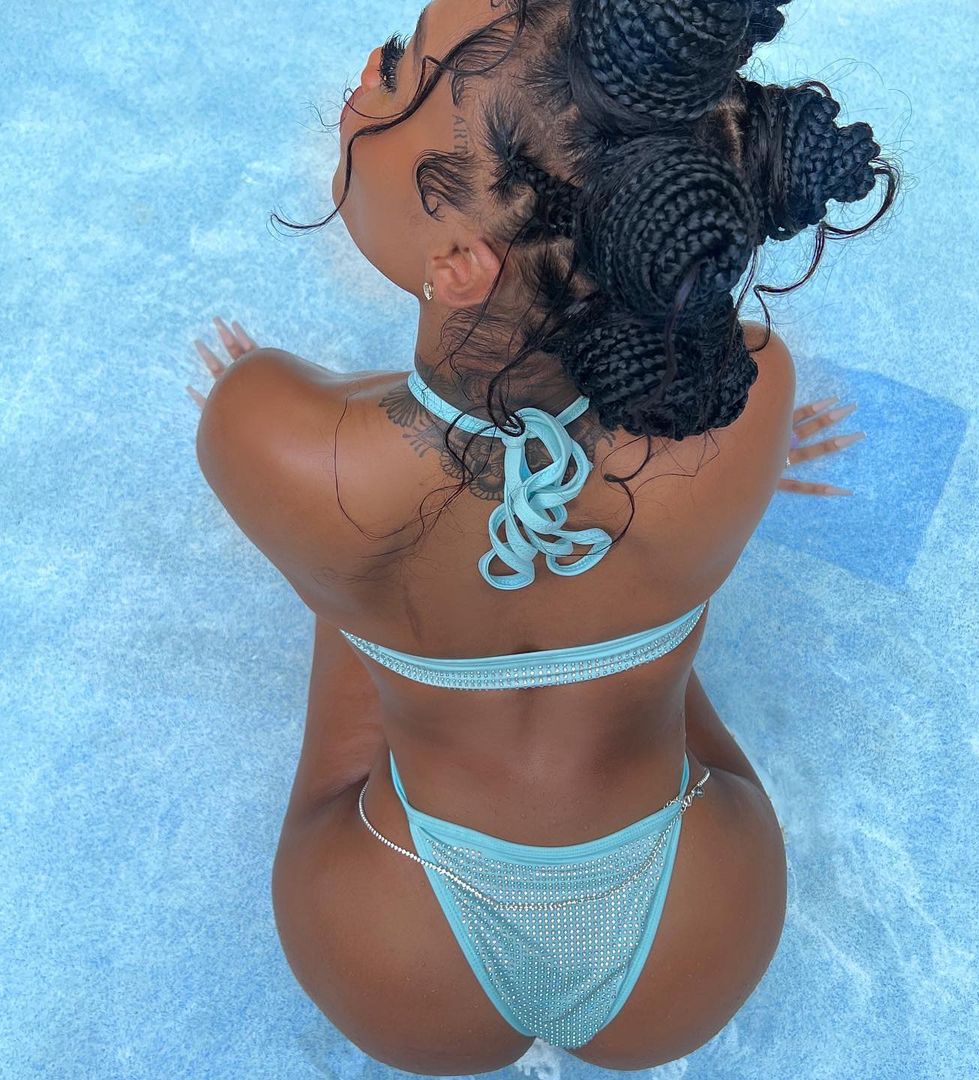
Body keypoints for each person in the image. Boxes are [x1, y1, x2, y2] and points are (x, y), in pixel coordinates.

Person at [189, 0, 898, 1071]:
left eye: (396, 68)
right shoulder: (750, 405)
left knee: (352, 575)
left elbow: (364, 459)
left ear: (457, 264)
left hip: (395, 945)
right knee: (646, 619)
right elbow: (713, 404)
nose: (363, 82)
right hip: (696, 926)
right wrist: (727, 448)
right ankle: (603, 624)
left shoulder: (267, 432)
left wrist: (342, 489)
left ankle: (431, 603)